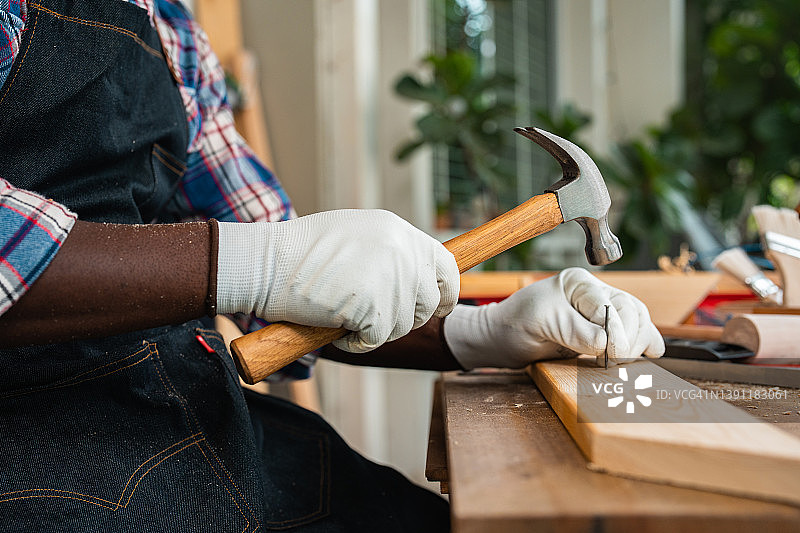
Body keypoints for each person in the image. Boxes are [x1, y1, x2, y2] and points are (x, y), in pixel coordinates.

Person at [0, 0, 664, 531]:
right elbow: (254, 265)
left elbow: (291, 279)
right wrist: (251, 264)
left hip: (205, 428)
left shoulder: (173, 29)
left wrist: (476, 333)